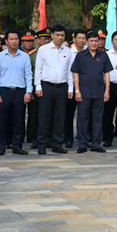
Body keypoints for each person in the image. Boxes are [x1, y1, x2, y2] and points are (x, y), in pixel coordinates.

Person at [0, 30, 33, 156]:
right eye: (12, 39)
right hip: (4, 91)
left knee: (19, 120)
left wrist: (28, 91)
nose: (14, 41)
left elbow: (28, 75)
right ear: (6, 41)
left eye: (16, 39)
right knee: (2, 120)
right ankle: (1, 146)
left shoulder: (25, 56)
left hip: (20, 91)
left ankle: (17, 146)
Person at [71, 30, 113, 153]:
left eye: (96, 41)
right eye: (91, 41)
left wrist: (107, 91)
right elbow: (76, 74)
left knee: (98, 118)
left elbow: (107, 74)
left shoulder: (103, 56)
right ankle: (82, 144)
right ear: (87, 42)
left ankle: (96, 144)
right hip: (84, 91)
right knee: (82, 118)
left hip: (99, 91)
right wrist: (77, 91)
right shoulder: (80, 56)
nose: (94, 43)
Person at [34, 24, 73, 155]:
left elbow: (69, 72)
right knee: (44, 117)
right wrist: (38, 86)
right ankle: (42, 144)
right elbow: (38, 69)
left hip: (62, 87)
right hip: (46, 87)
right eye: (57, 35)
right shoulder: (43, 49)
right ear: (52, 35)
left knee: (60, 117)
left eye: (62, 35)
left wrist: (70, 88)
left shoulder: (67, 51)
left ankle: (57, 144)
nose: (60, 38)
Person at [64, 29, 87, 148]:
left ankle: (83, 137)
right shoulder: (68, 53)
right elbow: (67, 71)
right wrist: (70, 88)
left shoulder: (89, 52)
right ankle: (68, 138)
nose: (82, 41)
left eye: (84, 38)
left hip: (86, 88)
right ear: (74, 39)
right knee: (69, 114)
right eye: (79, 38)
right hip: (71, 88)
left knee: (84, 115)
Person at [20, 30, 39, 146]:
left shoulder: (37, 53)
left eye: (31, 41)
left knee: (34, 113)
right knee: (19, 113)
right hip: (20, 84)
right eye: (26, 41)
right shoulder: (18, 53)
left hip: (33, 83)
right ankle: (19, 135)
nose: (28, 43)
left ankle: (32, 136)